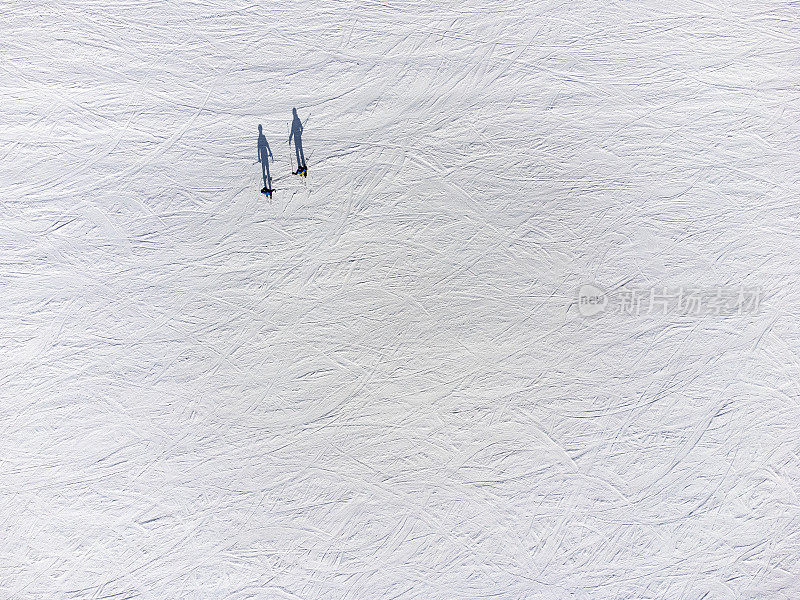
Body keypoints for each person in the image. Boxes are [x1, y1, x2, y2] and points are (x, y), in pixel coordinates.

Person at [288, 108, 306, 173]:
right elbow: (301, 128)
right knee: (300, 150)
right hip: (297, 136)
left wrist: (290, 139)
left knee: (298, 151)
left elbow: (292, 131)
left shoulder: (296, 120)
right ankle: (303, 165)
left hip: (296, 137)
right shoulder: (297, 120)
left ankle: (300, 166)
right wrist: (300, 133)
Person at [257, 124, 273, 191]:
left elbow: (258, 148)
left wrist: (259, 157)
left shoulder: (260, 138)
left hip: (263, 154)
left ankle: (265, 182)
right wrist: (270, 152)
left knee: (264, 168)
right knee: (266, 167)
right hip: (265, 153)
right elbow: (267, 145)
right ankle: (268, 179)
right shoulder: (263, 137)